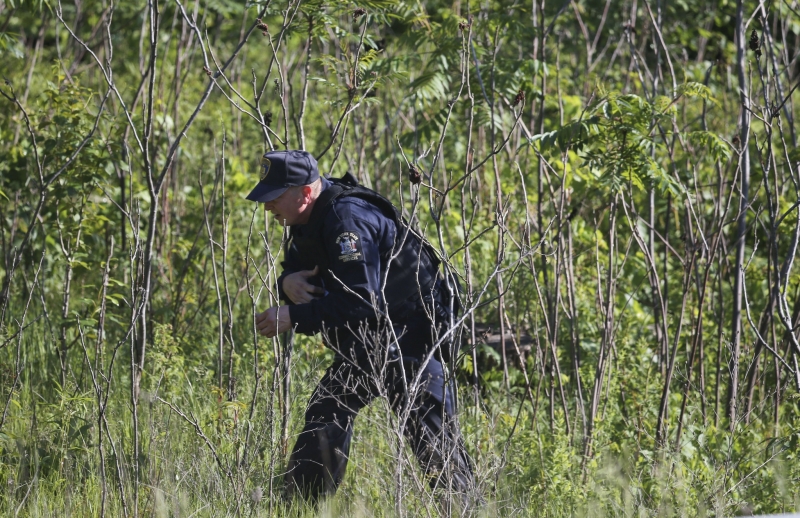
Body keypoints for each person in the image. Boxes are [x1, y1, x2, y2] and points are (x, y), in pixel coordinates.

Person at [246, 149, 475, 502]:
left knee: (434, 445)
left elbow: (361, 300)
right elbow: (305, 264)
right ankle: (299, 507)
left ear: (304, 193)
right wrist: (287, 281)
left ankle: (466, 509)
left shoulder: (346, 220)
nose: (267, 206)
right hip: (369, 341)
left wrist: (293, 317)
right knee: (327, 412)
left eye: (274, 198)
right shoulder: (310, 216)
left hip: (411, 340)